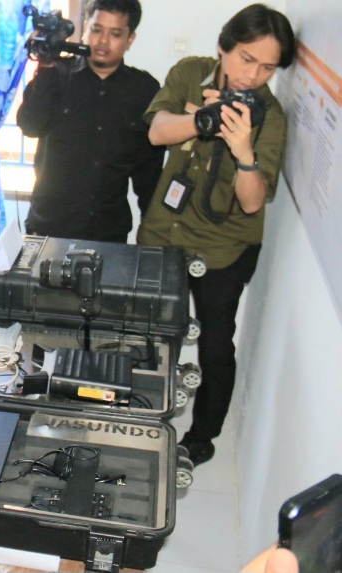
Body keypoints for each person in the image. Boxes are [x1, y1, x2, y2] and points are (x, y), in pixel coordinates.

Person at [137, 4, 296, 466]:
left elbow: (251, 200)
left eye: (267, 67)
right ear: (223, 47)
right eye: (247, 59)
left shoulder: (272, 116)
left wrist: (244, 150)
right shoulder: (190, 74)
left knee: (214, 344)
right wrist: (203, 120)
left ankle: (201, 438)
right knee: (149, 333)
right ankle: (142, 416)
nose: (253, 75)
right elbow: (157, 133)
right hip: (164, 233)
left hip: (225, 248)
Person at [16, 0, 164, 242]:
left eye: (115, 33)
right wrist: (46, 65)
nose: (103, 41)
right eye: (96, 29)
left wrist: (155, 235)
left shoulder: (144, 90)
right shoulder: (56, 72)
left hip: (107, 232)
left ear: (130, 39)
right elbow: (30, 126)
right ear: (85, 28)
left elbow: (149, 174)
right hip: (48, 228)